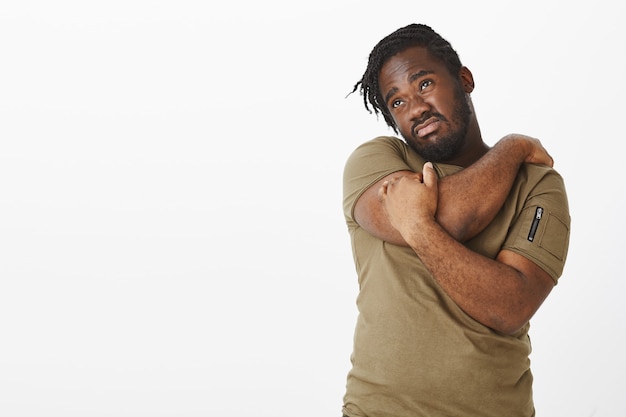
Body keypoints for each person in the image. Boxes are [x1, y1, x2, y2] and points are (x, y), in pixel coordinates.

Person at [341, 24, 570, 417]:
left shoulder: (538, 184)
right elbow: (454, 217)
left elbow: (509, 306)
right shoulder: (377, 162)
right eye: (396, 103)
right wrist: (512, 148)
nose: (415, 108)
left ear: (464, 79)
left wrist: (417, 226)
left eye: (424, 84)